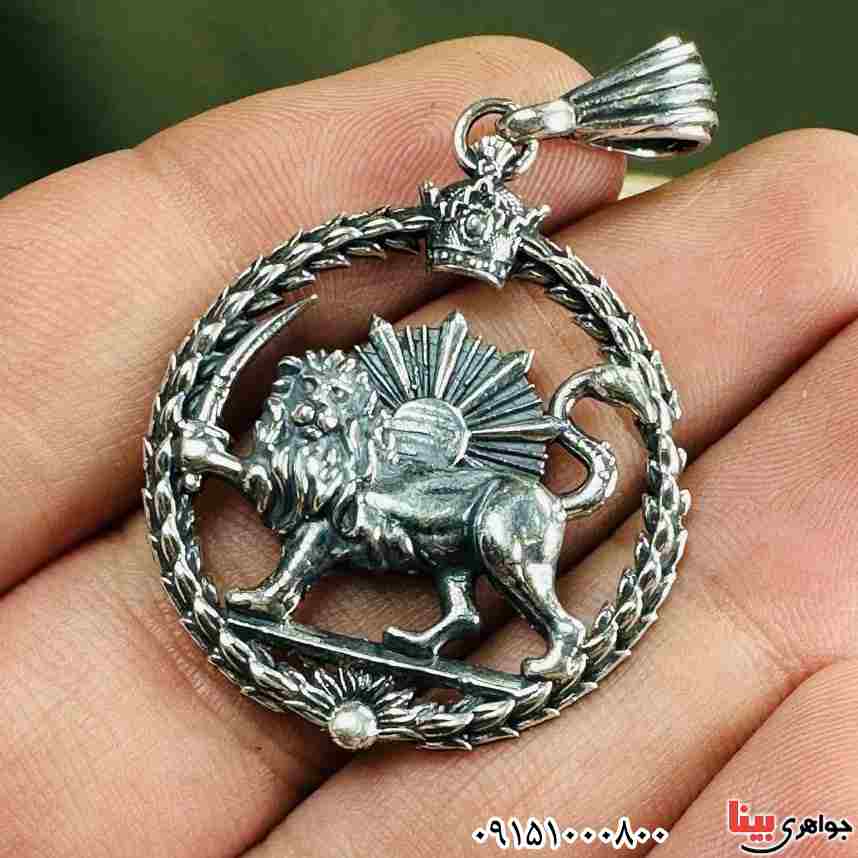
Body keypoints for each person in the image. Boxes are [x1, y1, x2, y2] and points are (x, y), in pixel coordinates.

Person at [0, 36, 856, 857]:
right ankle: (435, 618)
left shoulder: (422, 484)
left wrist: (218, 465)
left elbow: (321, 518)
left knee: (503, 570)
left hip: (479, 514)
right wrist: (217, 458)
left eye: (323, 404)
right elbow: (301, 497)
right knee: (418, 557)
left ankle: (557, 636)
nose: (310, 413)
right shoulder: (350, 459)